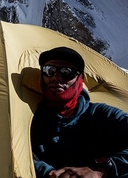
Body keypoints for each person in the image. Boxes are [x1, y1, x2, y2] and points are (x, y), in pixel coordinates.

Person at [31, 47, 128, 178]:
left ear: (80, 79)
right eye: (49, 70)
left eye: (67, 72)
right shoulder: (30, 118)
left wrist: (103, 170)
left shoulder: (101, 115)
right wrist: (49, 173)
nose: (56, 78)